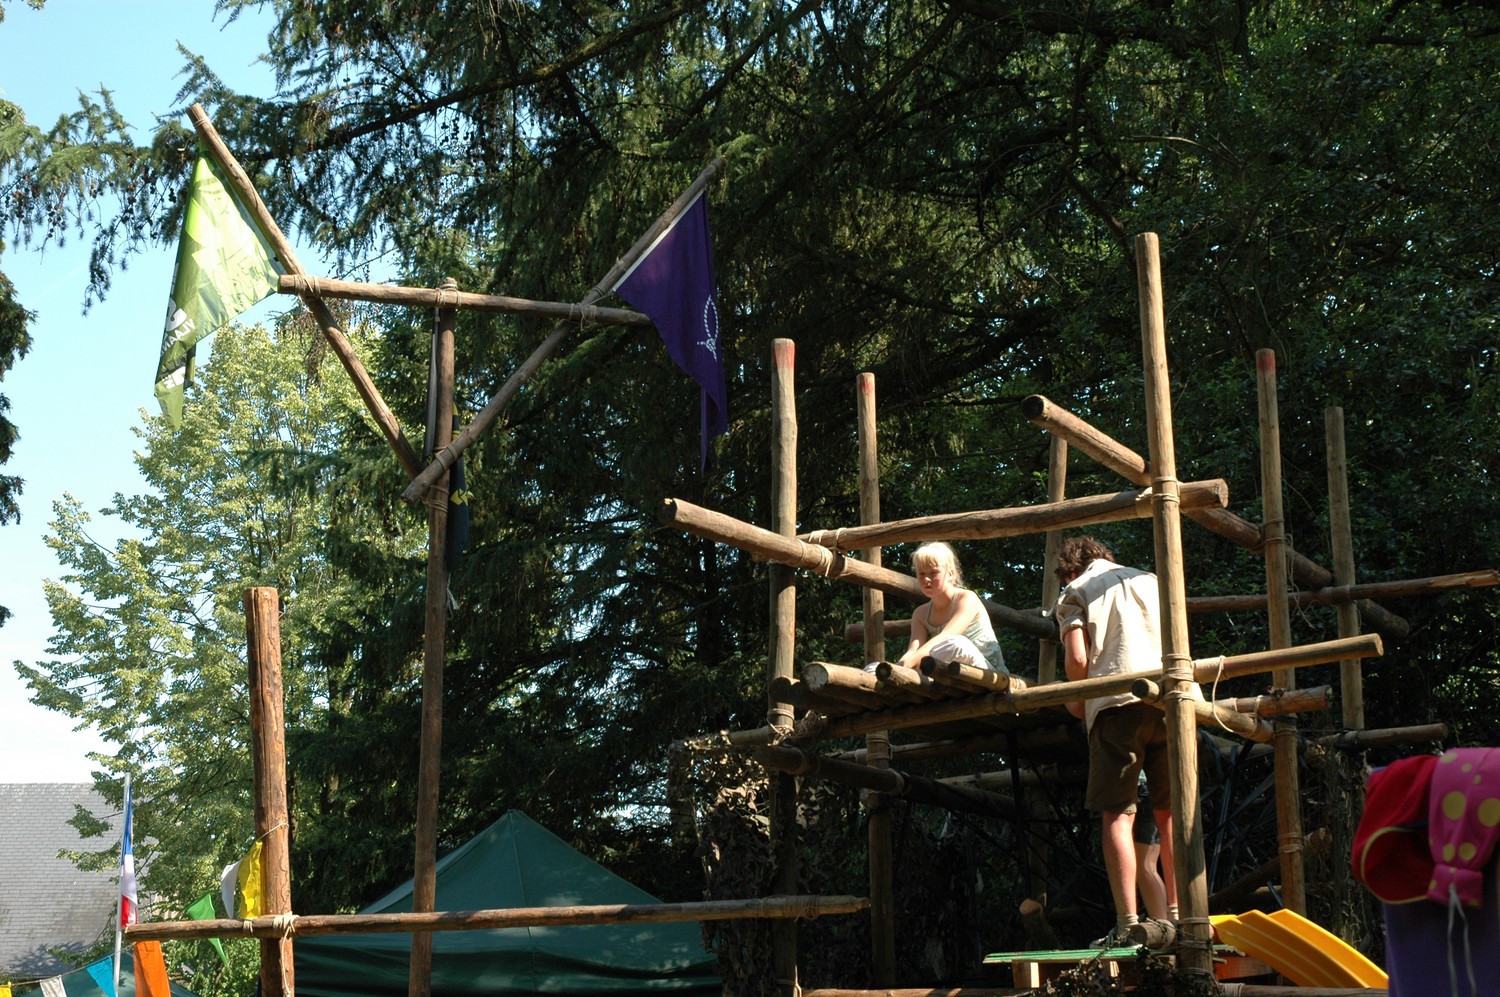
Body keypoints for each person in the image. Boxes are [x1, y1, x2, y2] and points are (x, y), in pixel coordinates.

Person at [1053, 535, 1201, 946]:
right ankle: (1182, 919)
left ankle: (1127, 925)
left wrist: (1076, 699)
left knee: (1117, 814)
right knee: (1171, 813)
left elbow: (1078, 662)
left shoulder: (1075, 590)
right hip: (1174, 699)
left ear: (1070, 571)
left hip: (1118, 703)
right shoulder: (1153, 581)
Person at [896, 541, 1007, 673]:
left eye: (933, 573)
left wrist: (910, 664)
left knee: (956, 645)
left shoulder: (967, 598)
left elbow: (946, 636)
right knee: (880, 666)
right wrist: (898, 667)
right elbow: (912, 651)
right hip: (950, 669)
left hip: (988, 671)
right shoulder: (920, 614)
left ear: (950, 574)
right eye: (921, 574)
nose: (926, 579)